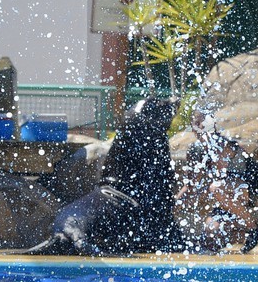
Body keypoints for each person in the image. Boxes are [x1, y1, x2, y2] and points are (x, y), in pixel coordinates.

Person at [30, 98, 178, 255]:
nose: (172, 103)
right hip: (97, 216)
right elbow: (161, 202)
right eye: (162, 104)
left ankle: (69, 233)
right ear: (151, 119)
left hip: (82, 215)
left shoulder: (134, 137)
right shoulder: (153, 142)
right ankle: (73, 235)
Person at [175, 116, 258, 254]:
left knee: (216, 187)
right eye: (197, 125)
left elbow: (219, 176)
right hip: (231, 194)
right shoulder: (196, 150)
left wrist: (204, 188)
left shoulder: (226, 145)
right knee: (210, 231)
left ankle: (253, 229)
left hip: (256, 188)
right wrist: (174, 204)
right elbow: (191, 184)